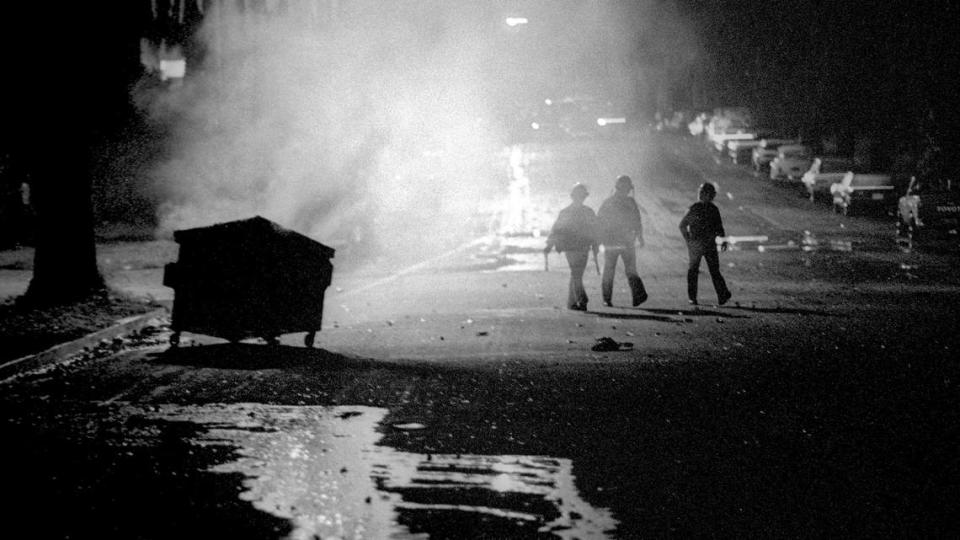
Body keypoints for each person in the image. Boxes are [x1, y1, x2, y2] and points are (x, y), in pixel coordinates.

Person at [544, 183, 599, 311]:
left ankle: (571, 303)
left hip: (573, 248)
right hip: (579, 248)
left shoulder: (566, 212)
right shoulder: (588, 212)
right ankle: (582, 299)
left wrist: (549, 245)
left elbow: (556, 230)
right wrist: (596, 244)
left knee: (576, 274)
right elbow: (595, 231)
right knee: (577, 274)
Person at [597, 174, 647, 307]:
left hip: (619, 242)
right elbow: (600, 222)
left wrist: (640, 236)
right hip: (618, 242)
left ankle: (609, 299)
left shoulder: (610, 202)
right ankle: (636, 296)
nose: (625, 191)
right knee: (624, 270)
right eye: (624, 189)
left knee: (613, 270)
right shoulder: (627, 202)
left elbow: (637, 221)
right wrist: (640, 237)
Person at [679, 182, 732, 306]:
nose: (702, 195)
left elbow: (719, 227)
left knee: (707, 271)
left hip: (706, 245)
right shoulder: (698, 208)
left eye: (704, 193)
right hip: (702, 245)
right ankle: (697, 297)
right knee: (699, 271)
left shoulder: (706, 209)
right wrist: (689, 240)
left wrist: (689, 240)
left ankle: (721, 295)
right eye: (702, 192)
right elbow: (682, 225)